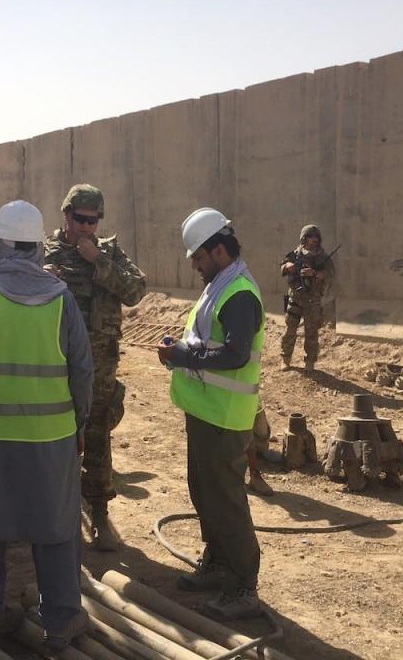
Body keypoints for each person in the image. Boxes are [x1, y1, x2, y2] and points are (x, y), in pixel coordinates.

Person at [0, 200, 93, 651]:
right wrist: (79, 423)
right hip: (52, 438)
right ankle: (61, 621)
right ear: (37, 248)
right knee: (57, 528)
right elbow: (82, 372)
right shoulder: (62, 299)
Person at [157, 207, 264, 621]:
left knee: (226, 500)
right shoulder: (221, 284)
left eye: (198, 258)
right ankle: (218, 563)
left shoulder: (238, 291)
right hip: (206, 412)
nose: (196, 266)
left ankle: (243, 585)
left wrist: (184, 354)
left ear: (217, 251)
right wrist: (181, 353)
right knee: (204, 492)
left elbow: (235, 354)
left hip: (225, 416)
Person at [44, 184, 146, 551]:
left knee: (98, 434)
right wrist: (42, 277)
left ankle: (99, 512)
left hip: (100, 361)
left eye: (94, 221)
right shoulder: (44, 253)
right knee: (56, 436)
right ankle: (58, 515)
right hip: (56, 362)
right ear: (66, 215)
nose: (88, 228)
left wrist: (98, 264)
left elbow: (136, 291)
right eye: (81, 220)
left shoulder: (109, 252)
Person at [279, 224, 335, 372]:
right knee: (290, 329)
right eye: (310, 237)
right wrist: (288, 266)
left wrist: (315, 274)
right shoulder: (296, 254)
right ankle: (285, 358)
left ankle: (310, 361)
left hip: (312, 299)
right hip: (295, 297)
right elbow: (282, 266)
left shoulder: (323, 257)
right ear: (304, 238)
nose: (313, 240)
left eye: (316, 237)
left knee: (311, 332)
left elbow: (330, 275)